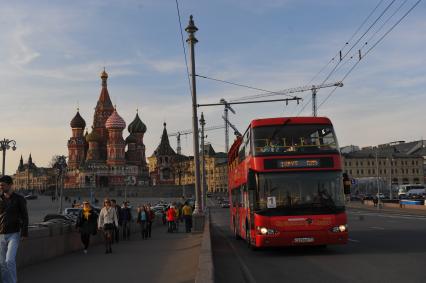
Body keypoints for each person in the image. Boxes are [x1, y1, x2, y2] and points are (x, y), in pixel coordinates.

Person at [0, 175, 28, 283]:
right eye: (0, 185)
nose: (1, 187)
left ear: (10, 185)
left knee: (9, 260)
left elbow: (25, 216)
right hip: (1, 234)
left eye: (3, 185)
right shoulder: (0, 198)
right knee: (1, 263)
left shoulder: (19, 199)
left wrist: (24, 233)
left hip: (14, 234)